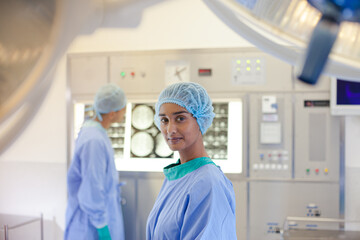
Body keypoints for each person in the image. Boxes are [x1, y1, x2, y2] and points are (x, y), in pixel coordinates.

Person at [146, 82, 237, 239]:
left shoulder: (206, 182)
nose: (170, 129)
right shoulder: (177, 176)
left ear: (200, 119)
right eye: (164, 120)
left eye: (180, 118)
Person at [65, 83, 127, 240]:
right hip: (90, 228)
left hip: (95, 221)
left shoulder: (95, 133)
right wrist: (102, 228)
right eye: (123, 108)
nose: (125, 111)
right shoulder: (94, 141)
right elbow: (91, 188)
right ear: (112, 113)